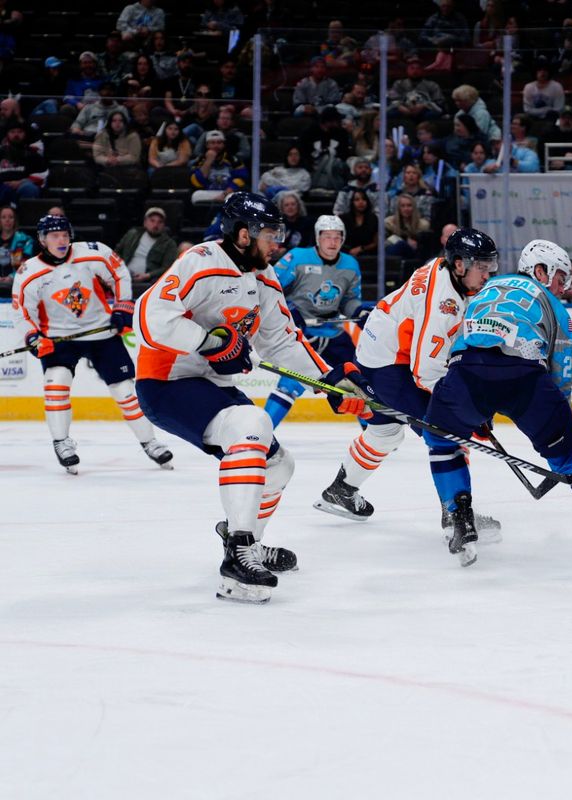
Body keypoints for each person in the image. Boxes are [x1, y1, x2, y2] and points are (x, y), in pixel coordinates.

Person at [134, 193, 374, 603]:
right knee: (253, 425)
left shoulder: (262, 278)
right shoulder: (203, 261)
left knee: (280, 466)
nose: (275, 242)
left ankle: (249, 547)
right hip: (167, 381)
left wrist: (329, 382)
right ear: (242, 235)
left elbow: (281, 339)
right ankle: (236, 555)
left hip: (212, 386)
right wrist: (208, 341)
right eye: (268, 234)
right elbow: (147, 316)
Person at [421, 238, 572, 570]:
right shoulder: (556, 309)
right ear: (539, 270)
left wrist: (475, 408)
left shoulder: (482, 292)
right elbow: (560, 379)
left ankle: (460, 521)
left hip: (467, 376)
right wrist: (568, 434)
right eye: (559, 279)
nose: (563, 289)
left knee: (441, 439)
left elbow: (459, 345)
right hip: (525, 380)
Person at [313, 228, 502, 537]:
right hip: (391, 362)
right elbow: (425, 371)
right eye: (481, 266)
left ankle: (341, 490)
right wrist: (464, 406)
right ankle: (455, 514)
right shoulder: (445, 303)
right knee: (448, 429)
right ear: (458, 265)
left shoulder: (446, 271)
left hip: (380, 348)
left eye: (489, 265)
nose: (487, 273)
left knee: (385, 431)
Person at [14, 214, 174, 474]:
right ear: (43, 241)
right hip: (58, 338)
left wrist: (122, 305)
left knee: (125, 391)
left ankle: (150, 442)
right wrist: (33, 337)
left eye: (65, 234)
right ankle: (62, 443)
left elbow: (119, 272)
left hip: (101, 333)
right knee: (56, 382)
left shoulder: (93, 252)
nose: (62, 240)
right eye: (55, 236)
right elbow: (22, 311)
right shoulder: (29, 272)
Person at [262, 215, 366, 427]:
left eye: (337, 237)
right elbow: (271, 287)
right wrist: (290, 312)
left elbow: (349, 300)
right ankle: (262, 433)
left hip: (333, 332)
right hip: (302, 333)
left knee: (355, 381)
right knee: (290, 384)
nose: (332, 242)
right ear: (318, 238)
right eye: (327, 236)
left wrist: (360, 311)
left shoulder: (350, 264)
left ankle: (373, 434)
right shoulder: (298, 257)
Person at [116, 207, 177, 282]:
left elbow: (168, 267)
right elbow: (116, 253)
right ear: (145, 222)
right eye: (152, 221)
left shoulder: (169, 244)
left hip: (148, 281)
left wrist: (149, 275)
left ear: (163, 225)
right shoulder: (132, 234)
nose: (155, 225)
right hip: (124, 275)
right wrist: (120, 269)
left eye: (160, 222)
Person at [189, 130, 248, 204]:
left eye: (219, 143)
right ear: (207, 145)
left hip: (228, 192)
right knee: (195, 195)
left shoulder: (232, 159)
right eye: (212, 143)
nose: (216, 146)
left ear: (223, 144)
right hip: (208, 192)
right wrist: (208, 161)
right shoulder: (200, 160)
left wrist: (224, 194)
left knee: (234, 197)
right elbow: (197, 182)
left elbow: (241, 179)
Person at [0, 122, 47, 204]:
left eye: (19, 132)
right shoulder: (0, 153)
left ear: (25, 134)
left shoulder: (33, 154)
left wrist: (21, 182)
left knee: (29, 188)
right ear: (7, 135)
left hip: (23, 185)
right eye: (12, 132)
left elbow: (42, 174)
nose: (16, 135)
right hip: (2, 186)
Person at [0, 203, 33, 297]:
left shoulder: (25, 240)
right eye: (3, 217)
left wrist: (11, 277)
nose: (7, 220)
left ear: (15, 220)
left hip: (16, 283)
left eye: (11, 217)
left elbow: (26, 265)